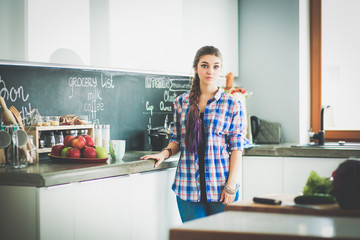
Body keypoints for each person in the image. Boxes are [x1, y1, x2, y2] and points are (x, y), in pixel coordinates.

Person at [141, 46, 245, 222]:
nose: (210, 71)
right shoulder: (181, 102)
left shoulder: (232, 104)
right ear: (196, 68)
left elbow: (237, 148)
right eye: (204, 65)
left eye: (216, 66)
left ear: (220, 69)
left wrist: (231, 186)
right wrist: (164, 153)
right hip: (187, 187)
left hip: (222, 187)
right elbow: (177, 139)